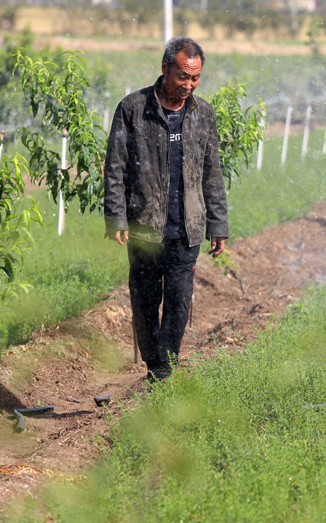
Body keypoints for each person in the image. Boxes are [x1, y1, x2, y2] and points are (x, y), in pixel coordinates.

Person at [104, 37, 228, 382]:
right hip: (144, 226)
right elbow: (115, 167)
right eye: (183, 77)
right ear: (165, 69)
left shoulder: (203, 115)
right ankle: (155, 365)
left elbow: (211, 173)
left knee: (178, 303)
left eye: (195, 78)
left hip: (186, 228)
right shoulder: (133, 108)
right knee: (144, 303)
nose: (188, 85)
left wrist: (218, 224)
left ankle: (164, 369)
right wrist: (115, 216)